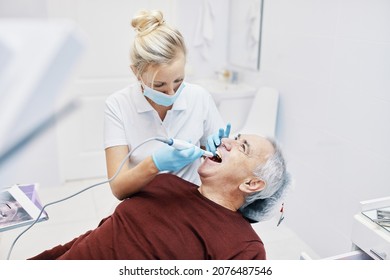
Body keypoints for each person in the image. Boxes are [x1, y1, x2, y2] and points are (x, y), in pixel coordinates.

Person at [28, 134, 290, 260]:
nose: (225, 141)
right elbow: (98, 234)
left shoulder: (244, 248)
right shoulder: (165, 182)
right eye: (234, 137)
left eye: (242, 147)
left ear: (252, 183)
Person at [104, 9, 228, 200]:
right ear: (136, 73)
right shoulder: (118, 105)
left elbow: (220, 164)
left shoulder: (199, 97)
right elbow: (118, 189)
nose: (172, 93)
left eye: (179, 81)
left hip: (191, 202)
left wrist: (218, 151)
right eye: (159, 85)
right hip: (143, 206)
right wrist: (154, 164)